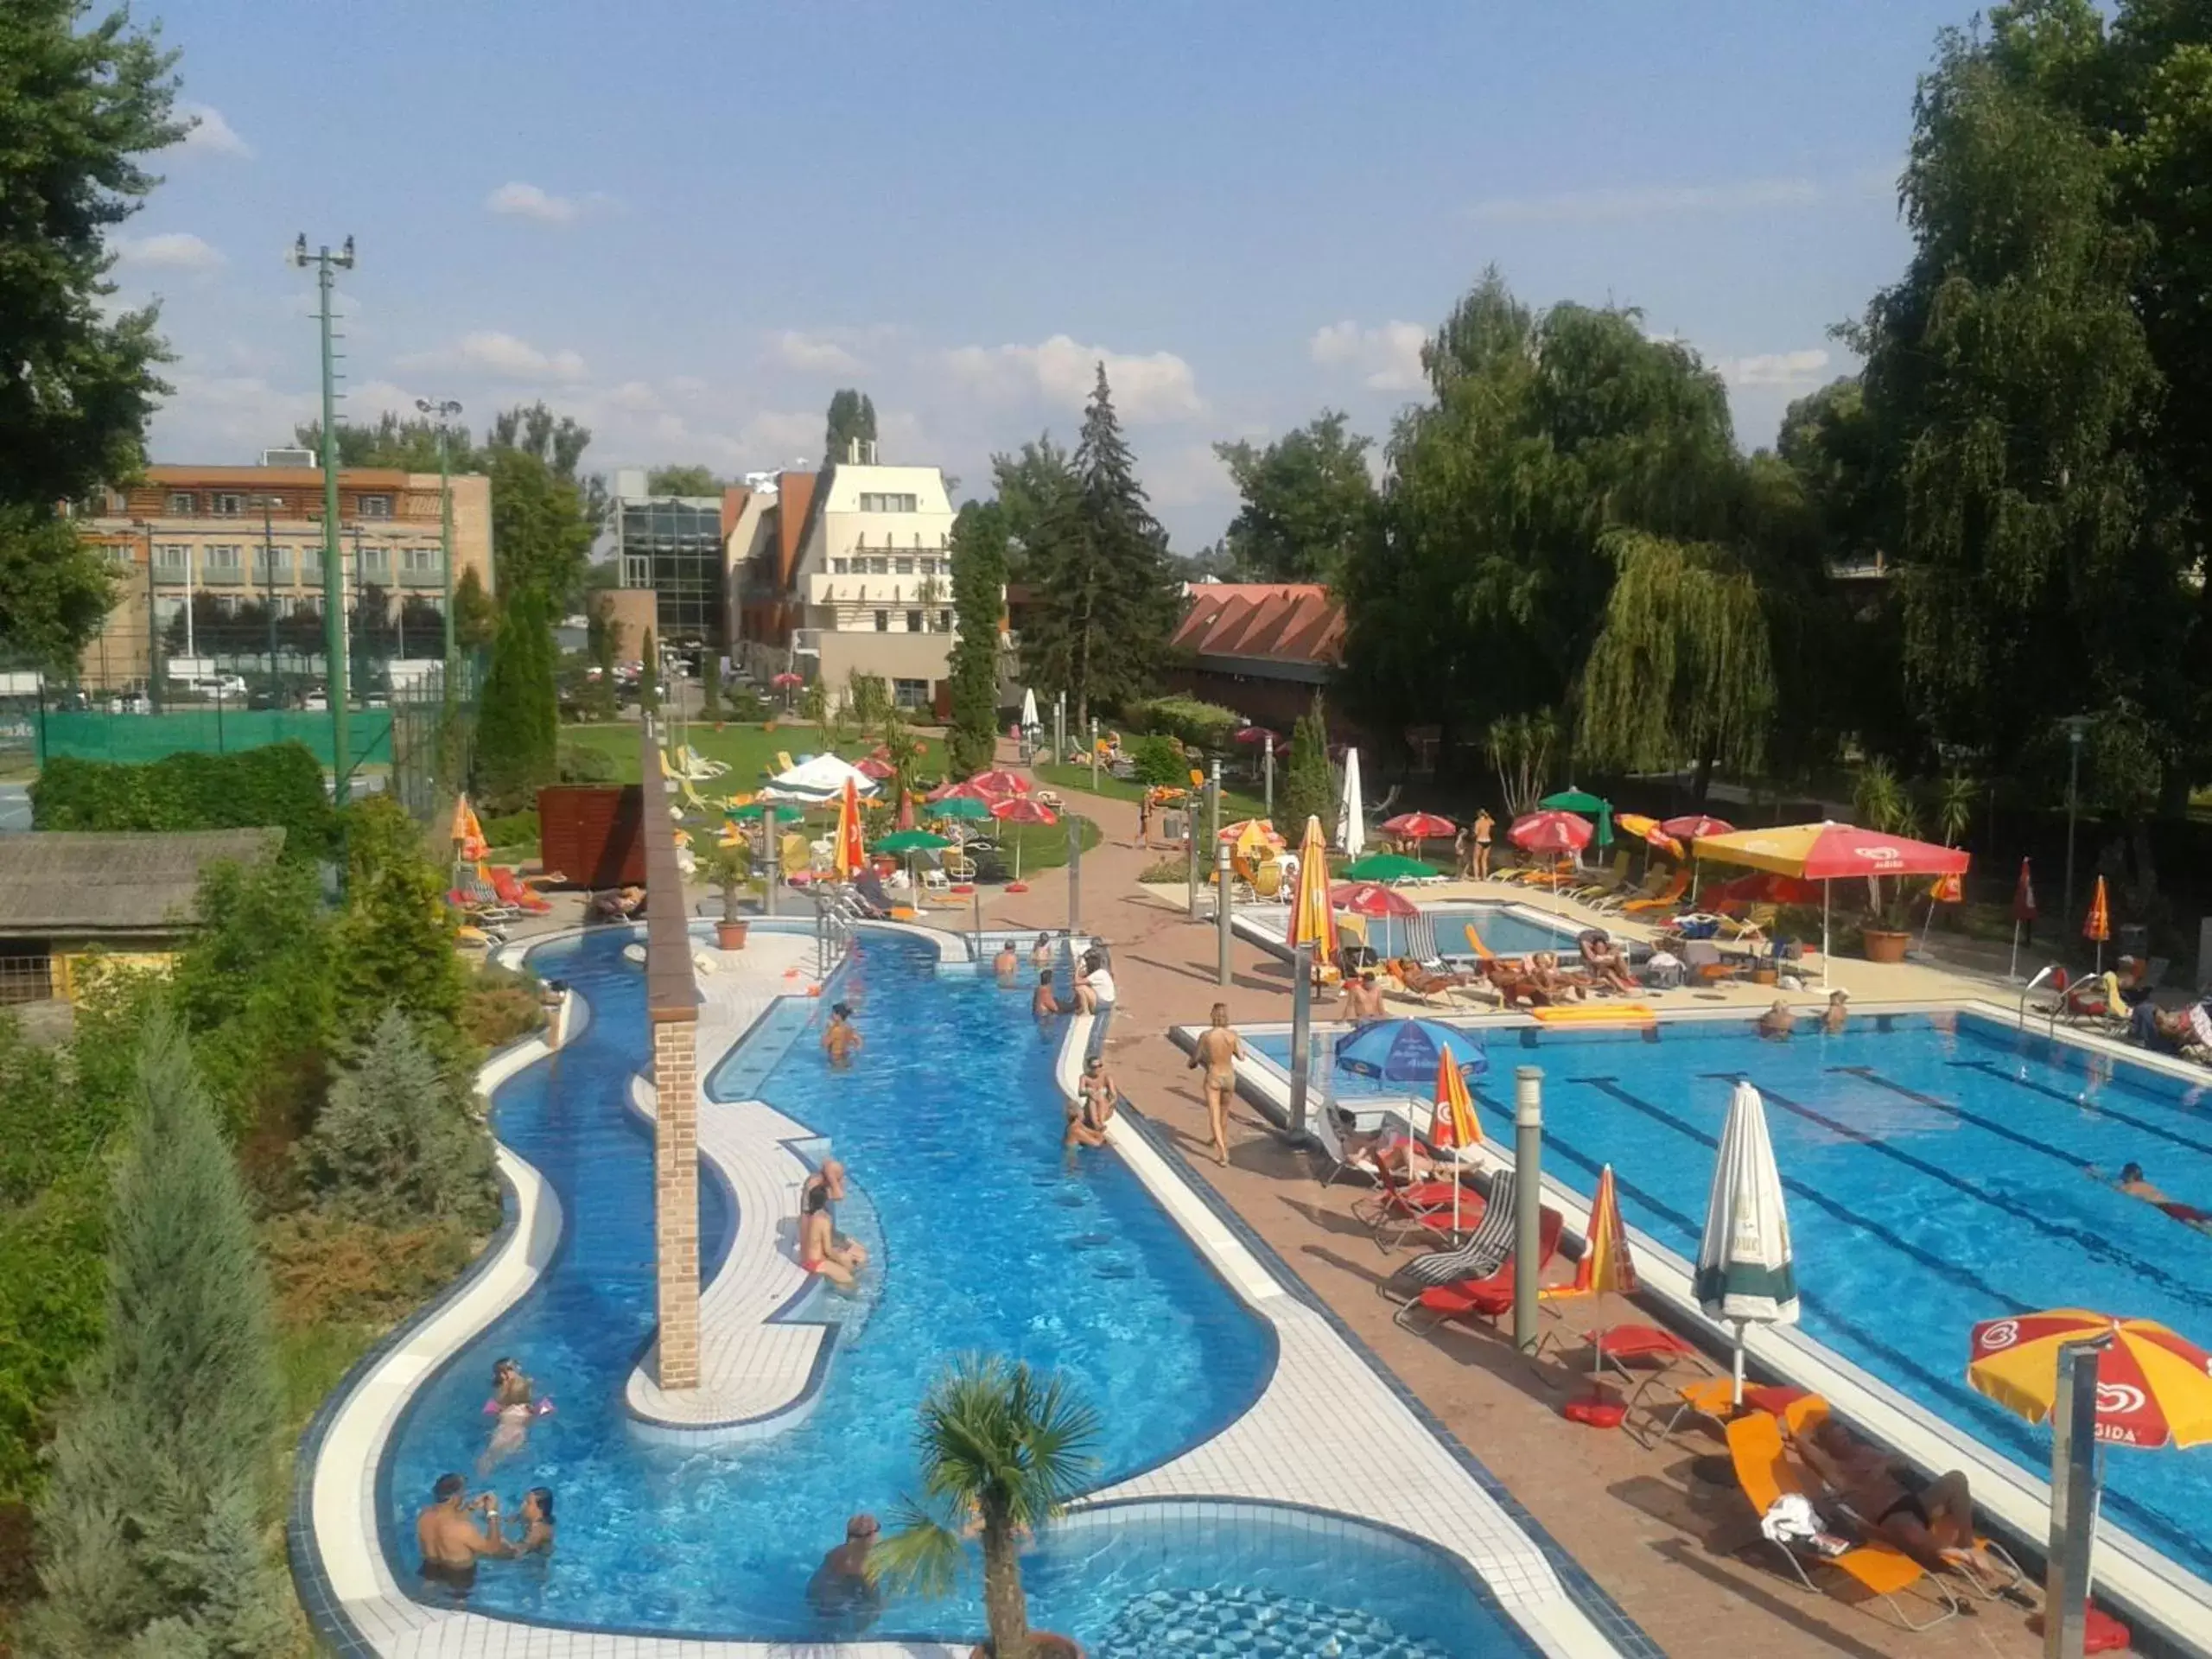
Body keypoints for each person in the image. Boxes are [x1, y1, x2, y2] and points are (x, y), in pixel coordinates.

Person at [1786, 1415, 1996, 1578]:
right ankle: (1960, 1555)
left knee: (1956, 1479)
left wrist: (1883, 1464)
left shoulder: (1864, 1452)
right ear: (1825, 1446)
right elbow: (1801, 1441)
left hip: (1915, 1504)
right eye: (1838, 1440)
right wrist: (1805, 1432)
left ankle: (1966, 1544)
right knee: (1907, 1527)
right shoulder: (1835, 1469)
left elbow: (1901, 1461)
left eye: (1845, 1437)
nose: (1845, 1443)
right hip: (1890, 1517)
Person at [416, 1472, 512, 1592]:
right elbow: (493, 1549)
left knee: (427, 1591)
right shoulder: (463, 1529)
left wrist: (471, 1507)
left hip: (430, 1568)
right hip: (460, 1576)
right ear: (455, 1497)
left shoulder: (424, 1515)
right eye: (462, 1492)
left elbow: (447, 1521)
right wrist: (493, 1513)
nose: (464, 1496)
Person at [1187, 1002, 1243, 1166]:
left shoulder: (1206, 1036)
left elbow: (1195, 1058)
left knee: (1214, 1115)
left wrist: (1192, 1063)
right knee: (1224, 1112)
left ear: (1212, 1016)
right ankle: (1217, 1140)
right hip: (1229, 1076)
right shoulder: (1233, 1035)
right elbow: (1241, 1056)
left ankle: (1223, 1153)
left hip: (1214, 1076)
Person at [807, 1512, 882, 1631]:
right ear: (870, 1536)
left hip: (816, 1593)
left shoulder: (837, 1551)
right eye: (878, 1528)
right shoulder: (864, 1566)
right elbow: (874, 1602)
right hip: (833, 1605)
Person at [2097, 1161, 2212, 1229]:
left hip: (2167, 1208)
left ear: (2128, 1175)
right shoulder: (2147, 1184)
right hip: (2181, 1205)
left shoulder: (2128, 1187)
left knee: (2198, 1227)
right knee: (2204, 1219)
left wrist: (2096, 1175)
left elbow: (2110, 1184)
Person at [800, 1158, 870, 1267]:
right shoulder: (815, 1187)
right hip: (822, 1232)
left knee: (861, 1248)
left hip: (828, 1230)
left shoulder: (817, 1180)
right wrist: (833, 1178)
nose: (841, 1180)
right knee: (861, 1256)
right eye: (839, 1177)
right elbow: (839, 1195)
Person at [800, 1181, 864, 1290]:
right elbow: (828, 1250)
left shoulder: (804, 1217)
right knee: (849, 1279)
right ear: (825, 1200)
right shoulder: (823, 1220)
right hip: (815, 1263)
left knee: (844, 1266)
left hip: (806, 1259)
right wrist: (844, 1260)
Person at [480, 1357, 539, 1471]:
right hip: (512, 1430)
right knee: (491, 1458)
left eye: (509, 1369)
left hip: (508, 1429)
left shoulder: (521, 1386)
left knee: (490, 1458)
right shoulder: (505, 1391)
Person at [1065, 1054, 1117, 1150]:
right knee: (1093, 1097)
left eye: (1100, 1066)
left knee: (1098, 1096)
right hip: (1092, 1111)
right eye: (1094, 1067)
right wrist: (1089, 1091)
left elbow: (1114, 1096)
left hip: (1105, 1109)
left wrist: (1109, 1104)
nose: (1098, 1069)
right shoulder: (1085, 1078)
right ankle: (1098, 1124)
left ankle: (1098, 1123)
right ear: (1089, 1068)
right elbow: (1097, 1144)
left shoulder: (1106, 1076)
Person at [1578, 931, 1637, 996]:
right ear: (1594, 948)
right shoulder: (1594, 956)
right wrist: (1609, 960)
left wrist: (1609, 953)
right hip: (1599, 974)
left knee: (1619, 958)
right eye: (1598, 947)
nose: (1600, 949)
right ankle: (1624, 990)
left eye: (1602, 947)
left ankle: (1627, 977)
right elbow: (1584, 943)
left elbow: (1616, 948)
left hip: (1615, 971)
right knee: (1608, 971)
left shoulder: (1609, 952)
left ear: (1606, 947)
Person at [512, 1487, 556, 1557]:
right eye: (524, 1501)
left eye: (528, 1503)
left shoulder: (539, 1529)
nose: (523, 1505)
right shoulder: (526, 1517)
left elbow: (518, 1552)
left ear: (540, 1509)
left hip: (533, 1564)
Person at [822, 1001, 861, 1066]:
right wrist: (857, 1050)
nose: (831, 1015)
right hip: (846, 1058)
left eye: (833, 1013)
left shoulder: (835, 1030)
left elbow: (824, 1045)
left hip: (836, 1061)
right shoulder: (849, 1026)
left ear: (838, 1015)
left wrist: (827, 1029)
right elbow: (858, 1040)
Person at [1472, 809, 1495, 880]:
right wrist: (1487, 815)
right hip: (1488, 840)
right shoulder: (1488, 821)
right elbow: (1493, 823)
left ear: (1478, 815)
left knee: (1475, 859)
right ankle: (1484, 877)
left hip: (1480, 840)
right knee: (1484, 860)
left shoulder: (1478, 822)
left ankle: (1476, 877)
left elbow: (1476, 833)